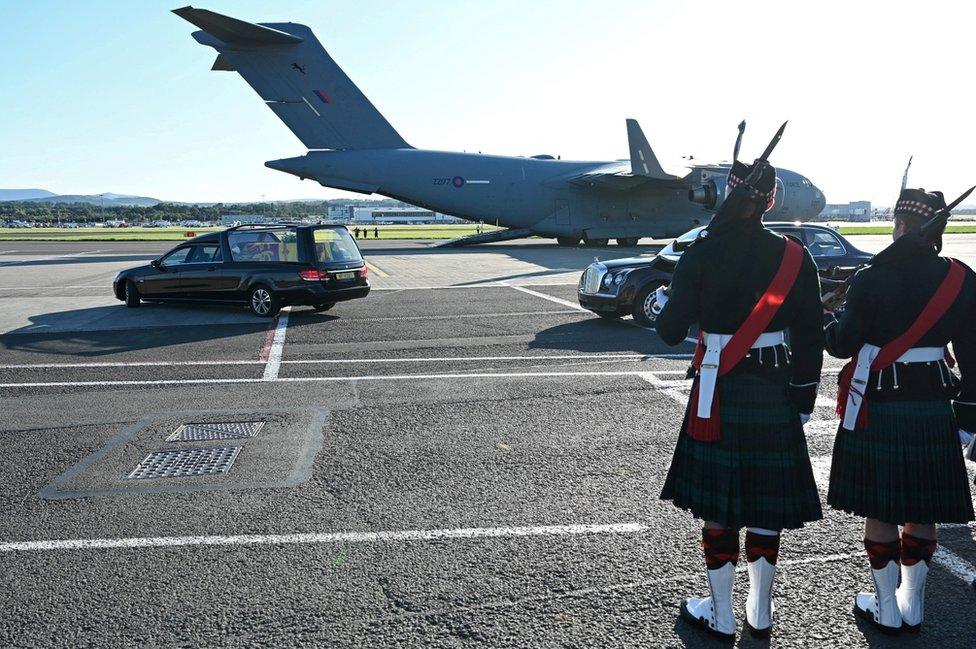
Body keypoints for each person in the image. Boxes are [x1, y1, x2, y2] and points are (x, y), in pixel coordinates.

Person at [656, 124, 824, 642]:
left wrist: (671, 298)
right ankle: (761, 609)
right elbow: (810, 331)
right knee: (766, 501)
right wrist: (803, 395)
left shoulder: (701, 252)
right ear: (771, 200)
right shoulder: (795, 255)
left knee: (720, 505)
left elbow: (667, 332)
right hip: (774, 388)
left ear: (731, 191)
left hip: (718, 388)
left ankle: (721, 612)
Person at [824, 187, 976, 634]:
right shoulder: (961, 278)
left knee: (882, 506)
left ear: (902, 224)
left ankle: (887, 607)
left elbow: (843, 344)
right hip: (933, 405)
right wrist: (969, 416)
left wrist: (826, 320)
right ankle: (914, 605)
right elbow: (973, 354)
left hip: (882, 403)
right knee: (922, 507)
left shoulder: (874, 276)